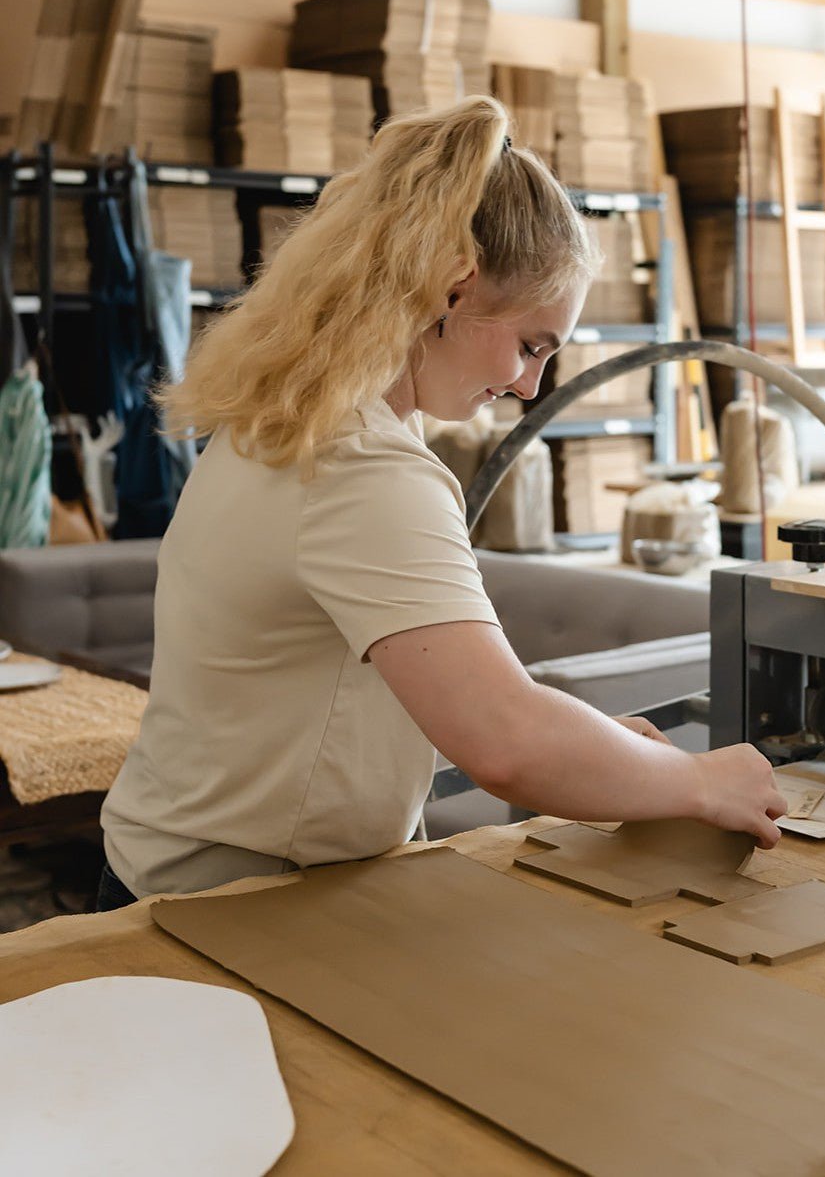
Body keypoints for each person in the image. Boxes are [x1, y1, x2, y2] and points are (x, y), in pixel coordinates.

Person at [97, 95, 786, 911]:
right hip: (230, 906)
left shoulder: (291, 419)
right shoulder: (363, 467)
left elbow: (421, 674)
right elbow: (503, 742)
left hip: (171, 870)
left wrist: (607, 754)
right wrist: (701, 781)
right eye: (530, 345)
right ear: (454, 290)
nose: (529, 386)